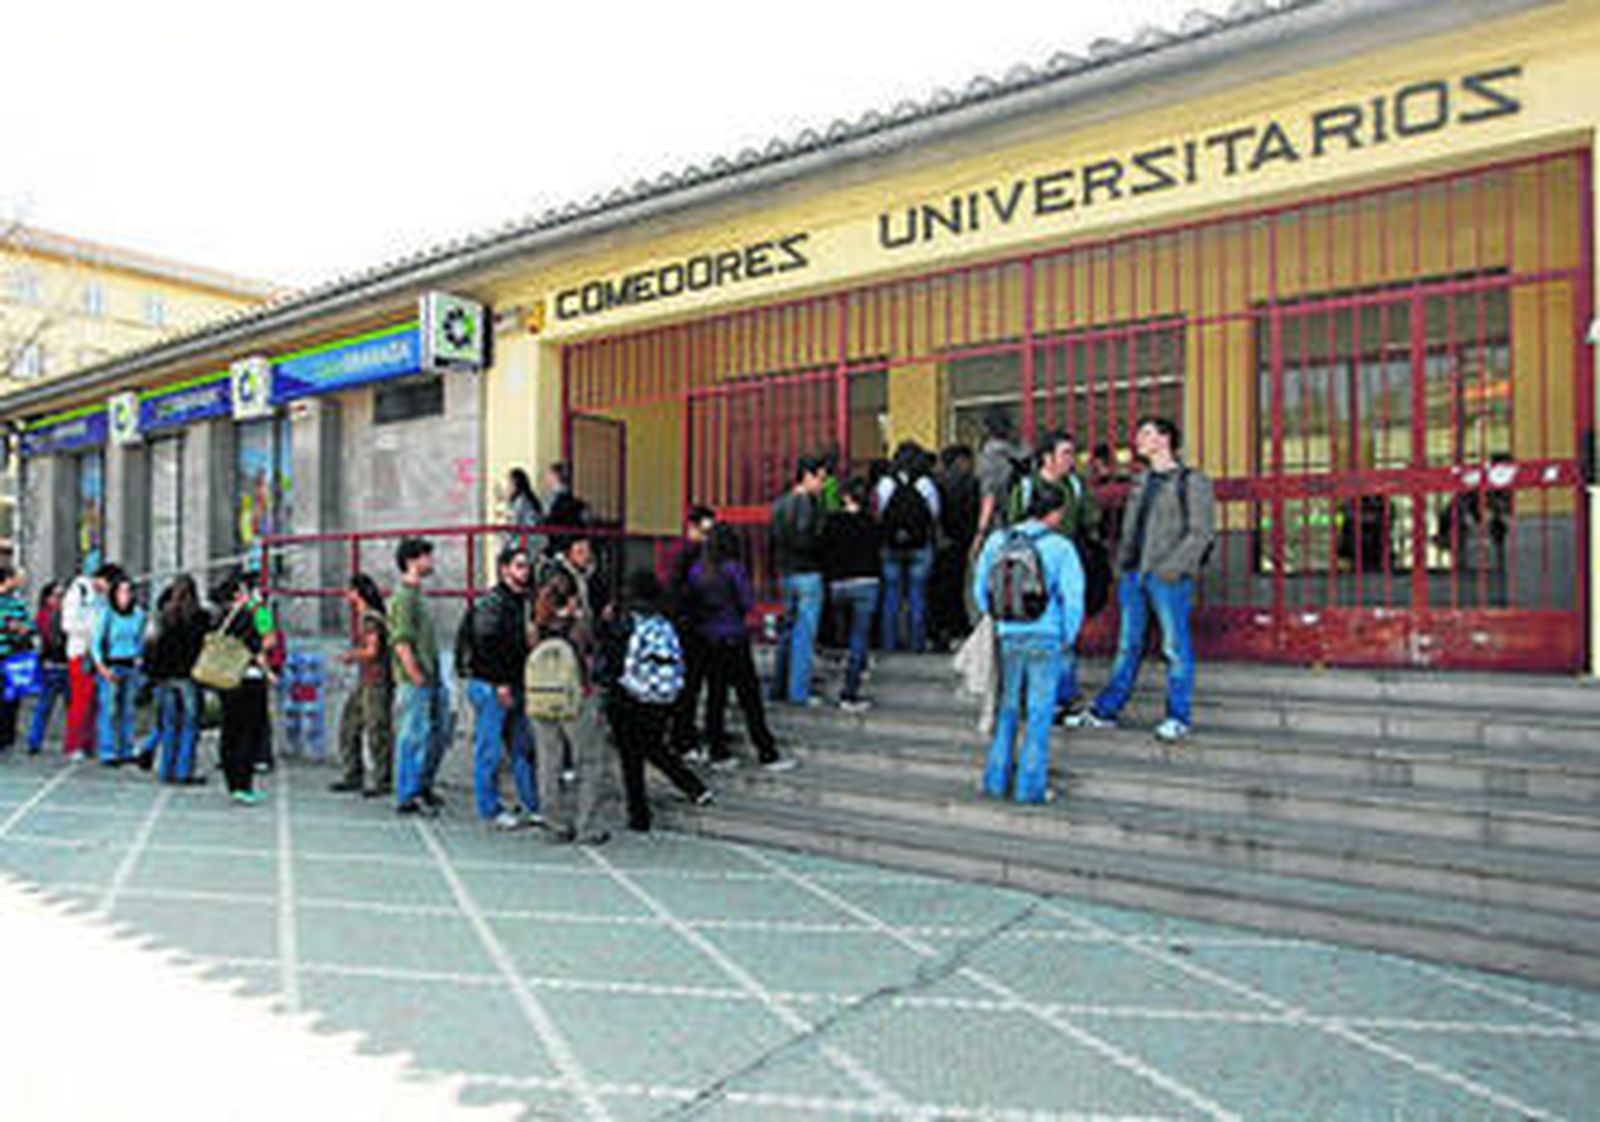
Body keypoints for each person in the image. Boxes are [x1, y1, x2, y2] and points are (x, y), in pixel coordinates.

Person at [1070, 416, 1216, 743]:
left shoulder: (1192, 481)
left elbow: (1201, 532)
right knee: (1128, 644)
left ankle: (1178, 716)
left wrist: (1171, 569)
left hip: (1167, 577)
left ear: (1165, 439)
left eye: (1146, 433)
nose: (1138, 438)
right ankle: (1106, 710)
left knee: (1175, 647)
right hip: (1133, 574)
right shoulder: (1142, 480)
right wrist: (1123, 566)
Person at [972, 485, 1085, 804]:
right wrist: (1067, 637)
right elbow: (1074, 599)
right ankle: (1029, 788)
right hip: (1046, 636)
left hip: (1008, 635)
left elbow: (980, 590)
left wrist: (1000, 620)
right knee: (1038, 714)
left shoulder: (998, 541)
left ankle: (995, 781)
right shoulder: (1061, 547)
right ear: (1056, 513)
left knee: (1007, 708)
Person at [607, 570, 713, 833]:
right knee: (654, 746)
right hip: (663, 696)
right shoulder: (665, 621)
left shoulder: (628, 622)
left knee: (632, 757)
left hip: (630, 695)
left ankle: (639, 815)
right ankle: (693, 787)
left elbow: (615, 660)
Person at [1007, 429, 1101, 720]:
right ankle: (1030, 695)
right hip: (1030, 573)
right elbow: (1012, 527)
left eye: (1072, 453)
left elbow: (1091, 519)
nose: (1071, 459)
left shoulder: (1075, 486)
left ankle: (1063, 696)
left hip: (1066, 570)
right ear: (1047, 457)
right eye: (1066, 453)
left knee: (1063, 634)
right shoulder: (1025, 487)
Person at [689, 524, 790, 770]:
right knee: (749, 699)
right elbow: (747, 601)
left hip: (708, 638)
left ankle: (717, 751)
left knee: (716, 697)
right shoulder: (733, 569)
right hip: (733, 636)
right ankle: (766, 752)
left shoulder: (698, 570)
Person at [457, 545, 541, 830]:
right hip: (492, 684)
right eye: (519, 565)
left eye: (527, 565)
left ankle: (531, 804)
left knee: (522, 747)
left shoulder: (520, 602)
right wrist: (500, 682)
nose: (525, 571)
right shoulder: (492, 603)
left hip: (513, 682)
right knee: (490, 749)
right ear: (505, 570)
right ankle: (489, 809)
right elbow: (486, 645)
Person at [528, 569, 609, 845]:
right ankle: (586, 825)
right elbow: (591, 657)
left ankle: (554, 823)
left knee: (548, 762)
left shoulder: (535, 625)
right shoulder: (579, 626)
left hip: (541, 699)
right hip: (575, 700)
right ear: (572, 598)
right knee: (589, 761)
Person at [389, 538, 447, 815]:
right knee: (414, 735)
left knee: (436, 733)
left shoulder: (417, 594)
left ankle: (423, 786)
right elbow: (401, 641)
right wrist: (414, 673)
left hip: (430, 677)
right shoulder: (404, 597)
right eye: (427, 557)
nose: (431, 562)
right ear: (412, 561)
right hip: (416, 680)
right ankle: (408, 793)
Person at [770, 455, 827, 705]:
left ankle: (779, 687)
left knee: (786, 633)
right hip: (807, 573)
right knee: (804, 635)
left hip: (786, 572)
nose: (822, 485)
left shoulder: (780, 504)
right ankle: (799, 692)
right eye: (820, 479)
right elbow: (806, 539)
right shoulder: (807, 504)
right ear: (807, 476)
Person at [212, 573, 274, 803]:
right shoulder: (253, 614)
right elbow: (263, 646)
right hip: (250, 679)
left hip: (225, 677)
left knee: (230, 730)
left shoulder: (221, 617)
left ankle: (232, 782)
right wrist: (269, 672)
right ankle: (244, 784)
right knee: (248, 732)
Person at [330, 574, 393, 798]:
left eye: (350, 590)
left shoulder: (370, 619)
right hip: (366, 679)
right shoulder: (364, 617)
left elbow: (372, 651)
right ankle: (353, 774)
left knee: (377, 729)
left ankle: (382, 779)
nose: (347, 595)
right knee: (350, 725)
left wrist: (351, 656)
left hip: (376, 680)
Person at [875, 441, 941, 653]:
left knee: (891, 595)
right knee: (917, 595)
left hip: (890, 545)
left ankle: (889, 642)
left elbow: (878, 512)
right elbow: (934, 513)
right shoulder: (925, 483)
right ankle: (916, 642)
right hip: (920, 544)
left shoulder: (886, 483)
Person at [143, 575, 209, 784]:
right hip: (189, 675)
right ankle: (183, 771)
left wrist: (152, 675)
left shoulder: (165, 616)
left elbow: (155, 647)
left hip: (165, 675)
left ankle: (166, 770)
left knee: (169, 724)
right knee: (190, 725)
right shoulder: (200, 617)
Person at [822, 479, 881, 711]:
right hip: (866, 582)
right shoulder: (871, 523)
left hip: (838, 582)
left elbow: (824, 550)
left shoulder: (832, 522)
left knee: (843, 632)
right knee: (859, 637)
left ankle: (842, 663)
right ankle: (850, 690)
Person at [667, 505, 717, 758]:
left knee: (690, 686)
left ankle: (684, 734)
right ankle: (682, 738)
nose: (708, 535)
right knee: (689, 687)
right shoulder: (688, 553)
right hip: (690, 627)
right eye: (705, 530)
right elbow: (676, 591)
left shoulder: (694, 552)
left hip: (693, 625)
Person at [61, 563, 120, 760]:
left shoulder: (103, 598)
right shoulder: (79, 591)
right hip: (81, 652)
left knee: (96, 702)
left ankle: (90, 743)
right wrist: (93, 631)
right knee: (81, 700)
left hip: (99, 654)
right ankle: (73, 744)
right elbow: (68, 624)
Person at [91, 574, 146, 767]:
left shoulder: (138, 614)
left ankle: (126, 748)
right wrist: (102, 667)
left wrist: (140, 658)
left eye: (128, 591)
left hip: (131, 664)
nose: (125, 596)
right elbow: (96, 643)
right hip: (111, 665)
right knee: (108, 710)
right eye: (121, 591)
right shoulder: (106, 613)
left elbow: (140, 639)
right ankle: (107, 751)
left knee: (128, 710)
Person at [930, 444, 979, 651]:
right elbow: (972, 510)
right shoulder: (969, 482)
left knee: (942, 585)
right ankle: (957, 624)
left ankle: (941, 627)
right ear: (961, 461)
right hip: (961, 539)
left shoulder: (936, 482)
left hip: (942, 541)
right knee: (956, 584)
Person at [972, 408, 1031, 549]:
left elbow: (989, 495)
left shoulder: (991, 455)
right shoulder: (1025, 451)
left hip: (1001, 522)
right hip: (1029, 520)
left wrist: (981, 532)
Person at [26, 581, 68, 755]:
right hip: (50, 665)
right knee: (43, 707)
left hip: (67, 666)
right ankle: (34, 741)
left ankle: (74, 743)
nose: (59, 599)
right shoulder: (43, 617)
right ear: (47, 598)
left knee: (72, 709)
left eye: (62, 595)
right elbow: (40, 641)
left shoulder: (70, 615)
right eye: (56, 595)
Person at [0, 567, 35, 754]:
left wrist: (23, 627)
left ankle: (8, 735)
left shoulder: (16, 602)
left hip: (13, 656)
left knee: (12, 697)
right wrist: (8, 625)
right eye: (15, 578)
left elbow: (30, 624)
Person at [502, 467, 545, 553]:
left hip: (525, 542)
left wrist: (506, 544)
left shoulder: (520, 501)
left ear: (516, 484)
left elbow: (514, 525)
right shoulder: (527, 499)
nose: (507, 487)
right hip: (531, 541)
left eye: (509, 483)